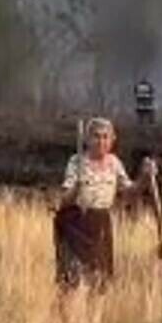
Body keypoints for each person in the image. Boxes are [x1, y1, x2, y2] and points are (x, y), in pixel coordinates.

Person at [54, 117, 141, 289]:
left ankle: (95, 315)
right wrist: (77, 187)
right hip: (76, 223)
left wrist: (145, 178)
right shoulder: (76, 162)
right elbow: (64, 200)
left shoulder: (114, 163)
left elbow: (130, 191)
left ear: (112, 140)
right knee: (73, 281)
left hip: (100, 224)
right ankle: (69, 314)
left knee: (100, 280)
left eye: (105, 137)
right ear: (87, 139)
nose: (101, 141)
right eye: (96, 136)